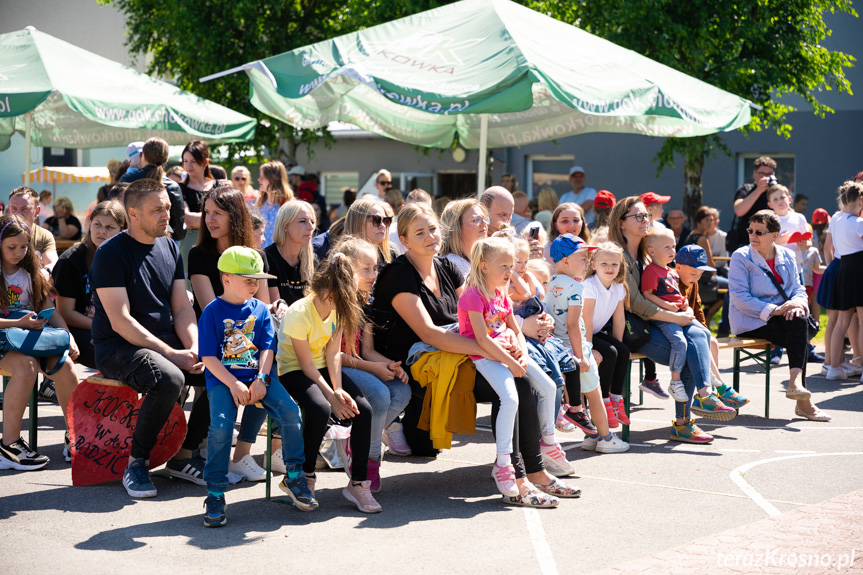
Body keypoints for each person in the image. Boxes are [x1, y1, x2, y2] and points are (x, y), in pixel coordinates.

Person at [374, 203, 571, 506]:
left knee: (524, 380)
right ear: (404, 239)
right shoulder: (397, 274)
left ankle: (533, 471)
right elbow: (429, 334)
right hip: (421, 359)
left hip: (461, 349)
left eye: (433, 229)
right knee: (516, 384)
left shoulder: (447, 267)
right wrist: (497, 351)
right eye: (420, 232)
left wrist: (514, 338)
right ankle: (518, 476)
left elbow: (484, 309)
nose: (430, 236)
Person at [91, 179, 206, 498]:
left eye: (168, 207)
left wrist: (194, 346)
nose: (167, 214)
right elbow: (121, 321)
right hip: (118, 348)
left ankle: (183, 456)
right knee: (168, 378)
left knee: (221, 371)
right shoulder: (109, 253)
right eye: (157, 209)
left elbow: (182, 308)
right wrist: (173, 353)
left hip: (165, 343)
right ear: (133, 214)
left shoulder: (170, 246)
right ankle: (137, 463)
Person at [199, 246, 316, 526]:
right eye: (248, 279)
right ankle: (215, 491)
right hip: (223, 381)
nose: (255, 284)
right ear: (226, 279)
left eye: (257, 279)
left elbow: (267, 347)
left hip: (259, 377)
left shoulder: (261, 310)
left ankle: (295, 476)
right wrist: (234, 383)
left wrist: (262, 378)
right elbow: (208, 358)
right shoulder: (212, 312)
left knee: (291, 413)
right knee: (221, 427)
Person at [459, 237, 567, 495]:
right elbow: (482, 339)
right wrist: (510, 362)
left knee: (549, 387)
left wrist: (523, 355)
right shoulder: (473, 295)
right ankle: (504, 464)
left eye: (511, 265)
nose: (510, 271)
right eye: (504, 266)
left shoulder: (500, 293)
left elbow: (514, 328)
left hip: (508, 353)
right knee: (510, 399)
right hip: (484, 357)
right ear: (484, 267)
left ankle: (549, 443)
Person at [609, 197, 720, 443]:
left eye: (646, 216)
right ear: (622, 224)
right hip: (633, 330)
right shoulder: (619, 256)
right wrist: (675, 316)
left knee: (700, 334)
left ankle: (703, 396)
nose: (645, 220)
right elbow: (634, 303)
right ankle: (685, 421)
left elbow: (666, 290)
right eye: (637, 217)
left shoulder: (647, 255)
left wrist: (683, 313)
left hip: (657, 322)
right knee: (690, 350)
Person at [277, 251, 380, 513]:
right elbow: (306, 365)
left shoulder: (338, 310)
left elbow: (333, 353)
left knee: (363, 410)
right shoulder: (299, 313)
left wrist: (338, 389)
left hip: (321, 367)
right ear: (329, 294)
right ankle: (306, 476)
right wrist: (331, 397)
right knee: (320, 408)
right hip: (293, 369)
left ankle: (357, 484)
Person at [188, 184, 273, 482]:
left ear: (235, 216)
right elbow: (208, 307)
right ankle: (210, 454)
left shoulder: (256, 256)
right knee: (228, 374)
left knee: (269, 370)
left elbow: (262, 310)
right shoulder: (199, 254)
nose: (210, 220)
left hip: (248, 340)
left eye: (218, 213)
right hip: (214, 339)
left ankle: (242, 454)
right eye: (207, 213)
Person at [728, 209, 830, 421]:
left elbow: (799, 289)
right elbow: (740, 299)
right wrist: (776, 310)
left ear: (774, 235)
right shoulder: (740, 257)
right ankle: (803, 400)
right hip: (751, 319)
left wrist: (796, 304)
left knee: (798, 318)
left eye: (759, 232)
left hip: (785, 318)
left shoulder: (788, 255)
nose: (753, 236)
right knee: (798, 334)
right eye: (751, 230)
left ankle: (795, 383)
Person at [0, 215, 80, 470]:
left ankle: (76, 436)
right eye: (11, 247)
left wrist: (68, 336)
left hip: (29, 339)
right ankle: (9, 445)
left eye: (24, 247)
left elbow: (51, 311)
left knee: (65, 364)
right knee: (27, 367)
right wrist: (17, 323)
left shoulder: (31, 273)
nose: (18, 252)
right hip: (5, 342)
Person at [336, 237, 411, 489]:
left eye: (375, 268)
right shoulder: (335, 302)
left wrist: (389, 364)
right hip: (335, 367)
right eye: (365, 269)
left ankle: (355, 441)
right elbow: (336, 355)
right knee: (379, 394)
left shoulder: (365, 300)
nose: (373, 274)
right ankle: (369, 457)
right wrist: (374, 368)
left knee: (401, 391)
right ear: (347, 269)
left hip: (357, 364)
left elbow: (366, 350)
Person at [544, 234, 629, 453]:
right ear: (565, 261)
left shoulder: (552, 281)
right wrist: (582, 355)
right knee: (594, 393)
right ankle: (605, 438)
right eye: (582, 258)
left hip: (559, 347)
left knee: (585, 393)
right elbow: (573, 324)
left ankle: (591, 437)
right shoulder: (575, 287)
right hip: (576, 347)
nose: (586, 262)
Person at [640, 228, 735, 418]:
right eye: (667, 247)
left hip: (680, 316)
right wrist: (673, 310)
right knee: (690, 347)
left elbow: (692, 305)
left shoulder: (673, 274)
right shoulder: (654, 271)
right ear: (651, 251)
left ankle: (705, 392)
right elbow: (645, 297)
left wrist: (686, 308)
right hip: (660, 320)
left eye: (673, 246)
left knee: (704, 335)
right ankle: (692, 404)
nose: (671, 250)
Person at [53, 201, 127, 369]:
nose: (102, 231)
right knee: (118, 359)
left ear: (122, 230)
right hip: (80, 330)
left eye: (110, 227)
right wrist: (109, 326)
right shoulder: (71, 260)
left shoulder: (125, 259)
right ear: (89, 224)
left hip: (118, 327)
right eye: (97, 224)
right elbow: (65, 313)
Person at [675, 245, 750, 409]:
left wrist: (705, 330)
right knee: (703, 341)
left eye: (700, 274)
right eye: (694, 273)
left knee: (712, 342)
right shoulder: (672, 282)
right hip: (675, 330)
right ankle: (720, 389)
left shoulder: (692, 282)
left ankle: (714, 392)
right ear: (678, 267)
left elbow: (697, 308)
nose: (697, 277)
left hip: (689, 327)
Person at [582, 242, 631, 427]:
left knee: (622, 351)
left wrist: (619, 348)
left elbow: (619, 320)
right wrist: (589, 349)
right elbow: (585, 321)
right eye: (604, 264)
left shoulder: (619, 287)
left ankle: (616, 399)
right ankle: (603, 401)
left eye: (614, 264)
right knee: (609, 353)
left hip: (595, 332)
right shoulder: (589, 286)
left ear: (620, 267)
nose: (609, 268)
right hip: (581, 333)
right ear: (593, 265)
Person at [826, 181, 863, 385]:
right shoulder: (858, 223)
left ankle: (833, 368)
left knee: (841, 322)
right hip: (858, 270)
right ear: (859, 200)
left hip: (843, 269)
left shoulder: (837, 218)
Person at [118, 137, 186, 242]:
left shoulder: (127, 179)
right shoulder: (173, 186)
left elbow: (114, 212)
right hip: (163, 244)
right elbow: (179, 232)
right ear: (166, 158)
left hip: (129, 242)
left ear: (143, 156)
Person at [178, 140, 216, 271]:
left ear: (205, 162)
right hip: (191, 242)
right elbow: (187, 219)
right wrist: (216, 217)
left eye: (193, 161)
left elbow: (229, 217)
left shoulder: (218, 186)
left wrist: (198, 219)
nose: (188, 165)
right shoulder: (180, 188)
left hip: (217, 242)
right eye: (185, 161)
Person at [728, 156, 777, 253]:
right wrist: (759, 190)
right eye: (762, 174)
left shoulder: (776, 192)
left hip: (769, 244)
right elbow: (739, 210)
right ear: (754, 174)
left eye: (769, 174)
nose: (765, 177)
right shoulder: (746, 189)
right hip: (746, 243)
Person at [8, 187, 58, 268]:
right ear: (9, 210)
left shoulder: (44, 235)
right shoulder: (2, 232)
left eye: (24, 209)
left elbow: (53, 264)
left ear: (37, 211)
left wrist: (46, 271)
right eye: (14, 208)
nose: (18, 214)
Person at [441, 198, 489, 278]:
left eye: (484, 219)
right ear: (456, 227)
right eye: (476, 220)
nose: (484, 223)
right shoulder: (452, 263)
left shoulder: (480, 260)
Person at [254, 161, 293, 248]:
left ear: (273, 179)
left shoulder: (288, 204)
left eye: (262, 177)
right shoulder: (259, 203)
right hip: (261, 254)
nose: (259, 180)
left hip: (279, 256)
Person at [390, 189, 432, 255]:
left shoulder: (434, 235)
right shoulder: (391, 235)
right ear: (402, 209)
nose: (417, 216)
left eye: (423, 211)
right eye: (411, 211)